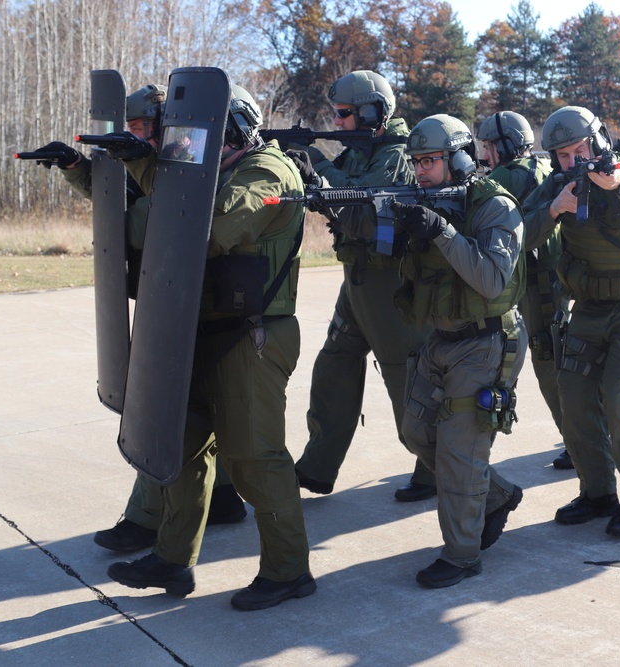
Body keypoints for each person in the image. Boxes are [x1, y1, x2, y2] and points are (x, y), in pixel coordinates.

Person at [107, 84, 315, 611]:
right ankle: (173, 561)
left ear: (239, 129)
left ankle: (289, 571)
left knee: (255, 459)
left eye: (208, 137)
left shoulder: (269, 172)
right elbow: (176, 206)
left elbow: (204, 225)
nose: (200, 148)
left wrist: (149, 185)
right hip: (199, 328)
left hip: (253, 335)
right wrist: (140, 165)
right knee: (179, 448)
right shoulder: (215, 169)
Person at [30, 84, 246, 553]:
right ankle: (224, 497)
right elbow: (118, 203)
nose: (136, 137)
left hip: (192, 301)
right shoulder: (150, 165)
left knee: (164, 414)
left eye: (144, 128)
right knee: (196, 414)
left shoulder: (196, 168)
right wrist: (76, 167)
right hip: (169, 295)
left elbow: (164, 209)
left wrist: (140, 165)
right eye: (129, 130)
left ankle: (145, 521)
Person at [521, 106, 620, 537]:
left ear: (599, 140)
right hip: (588, 306)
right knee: (574, 395)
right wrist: (553, 210)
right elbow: (519, 240)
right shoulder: (556, 187)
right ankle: (598, 492)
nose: (574, 161)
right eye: (563, 155)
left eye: (580, 149)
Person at [394, 114, 527, 587]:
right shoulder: (422, 198)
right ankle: (497, 495)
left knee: (459, 453)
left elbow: (491, 278)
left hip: (487, 340)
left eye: (429, 161)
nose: (420, 171)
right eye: (415, 162)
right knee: (415, 433)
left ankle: (462, 555)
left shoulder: (496, 207)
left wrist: (440, 232)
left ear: (460, 158)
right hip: (443, 339)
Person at [292, 70, 437, 502]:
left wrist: (316, 167)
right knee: (334, 367)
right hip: (357, 279)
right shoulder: (360, 151)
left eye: (343, 114)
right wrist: (308, 167)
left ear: (371, 112)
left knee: (403, 378)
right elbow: (331, 188)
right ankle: (318, 467)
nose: (336, 122)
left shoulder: (395, 154)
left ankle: (436, 470)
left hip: (389, 283)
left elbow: (363, 213)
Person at [476, 111, 570, 469]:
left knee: (548, 361)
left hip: (537, 282)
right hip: (557, 275)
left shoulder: (506, 176)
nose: (486, 156)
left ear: (504, 146)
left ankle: (578, 442)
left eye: (489, 147)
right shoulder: (543, 168)